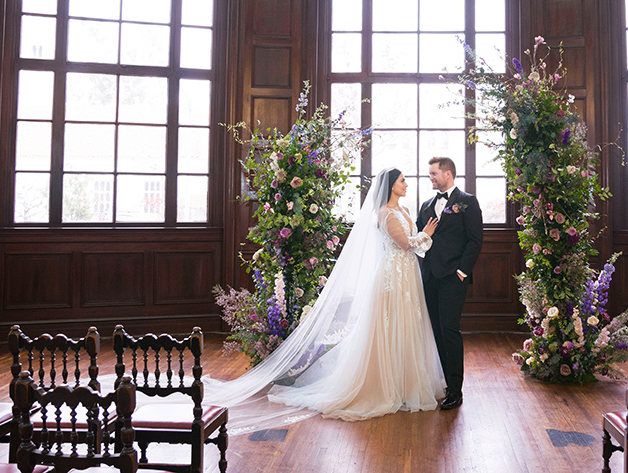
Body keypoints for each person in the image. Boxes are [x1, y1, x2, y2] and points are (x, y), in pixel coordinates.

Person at [198, 167, 445, 431]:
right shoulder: (385, 214)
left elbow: (411, 246)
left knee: (407, 326)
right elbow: (405, 244)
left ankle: (406, 383)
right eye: (402, 181)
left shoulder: (405, 211)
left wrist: (421, 237)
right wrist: (426, 234)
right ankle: (385, 386)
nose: (406, 184)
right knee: (388, 327)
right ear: (390, 186)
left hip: (408, 276)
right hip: (391, 279)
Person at [415, 156, 484, 411]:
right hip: (430, 276)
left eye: (434, 174)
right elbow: (420, 238)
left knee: (450, 331)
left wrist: (462, 272)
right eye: (430, 174)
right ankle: (446, 383)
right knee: (437, 332)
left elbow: (475, 240)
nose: (430, 178)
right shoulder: (425, 205)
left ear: (448, 174)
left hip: (454, 278)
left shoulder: (467, 202)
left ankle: (456, 390)